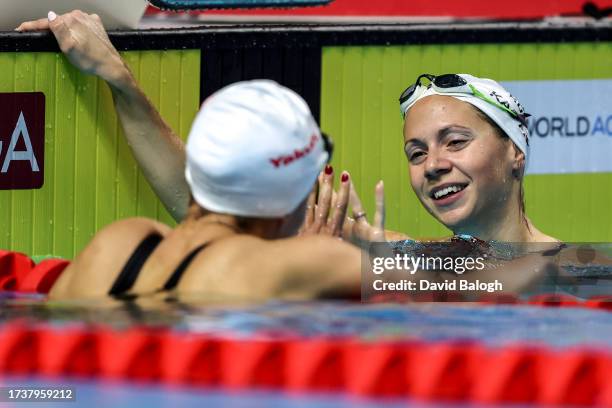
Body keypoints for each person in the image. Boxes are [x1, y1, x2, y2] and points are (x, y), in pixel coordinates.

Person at [49, 80, 361, 300]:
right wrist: (366, 237)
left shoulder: (117, 243)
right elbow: (410, 269)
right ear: (292, 198)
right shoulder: (296, 263)